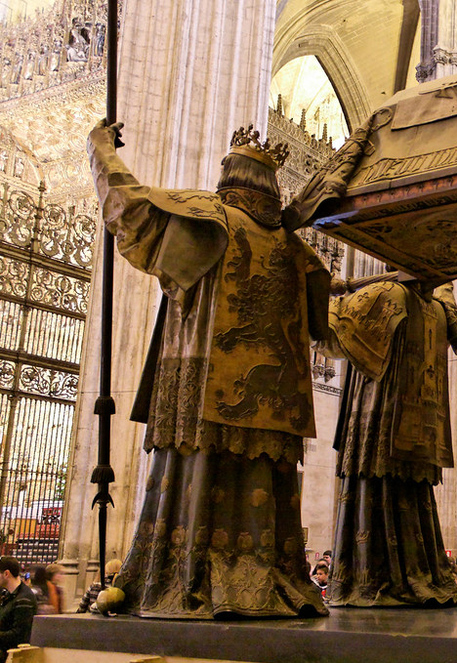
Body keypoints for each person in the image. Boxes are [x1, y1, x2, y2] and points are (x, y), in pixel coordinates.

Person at [87, 120, 328, 619]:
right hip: (273, 399)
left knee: (196, 468)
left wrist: (101, 149)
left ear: (231, 174)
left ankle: (187, 578)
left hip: (203, 385)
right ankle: (265, 579)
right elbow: (325, 321)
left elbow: (127, 205)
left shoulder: (211, 219)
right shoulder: (297, 250)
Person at [319, 277, 457, 606]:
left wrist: (323, 291)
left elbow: (329, 335)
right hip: (415, 429)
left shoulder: (388, 293)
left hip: (378, 417)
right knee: (411, 499)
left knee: (373, 490)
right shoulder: (438, 309)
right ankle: (417, 573)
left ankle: (373, 579)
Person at [0, 557, 36, 662]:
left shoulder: (24, 599)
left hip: (13, 656)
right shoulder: (7, 594)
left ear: (6, 574)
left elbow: (19, 635)